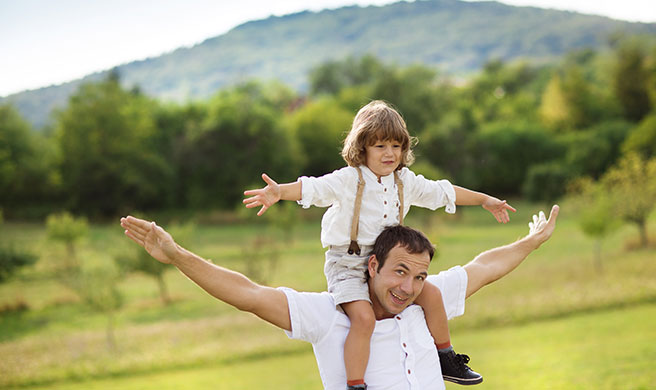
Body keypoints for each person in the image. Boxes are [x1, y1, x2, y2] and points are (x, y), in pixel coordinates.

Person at [119, 205, 559, 390]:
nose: (408, 287)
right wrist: (177, 256)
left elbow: (485, 266)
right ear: (373, 266)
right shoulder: (330, 315)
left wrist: (533, 241)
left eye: (419, 276)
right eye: (400, 272)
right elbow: (248, 294)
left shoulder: (428, 300)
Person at [242, 100, 516, 388]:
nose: (390, 153)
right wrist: (279, 192)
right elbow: (314, 188)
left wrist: (485, 199)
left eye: (396, 146)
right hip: (347, 264)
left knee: (432, 296)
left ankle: (445, 356)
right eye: (380, 146)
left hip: (384, 264)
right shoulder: (350, 179)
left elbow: (442, 193)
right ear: (362, 148)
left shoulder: (404, 181)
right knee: (363, 318)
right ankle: (356, 384)